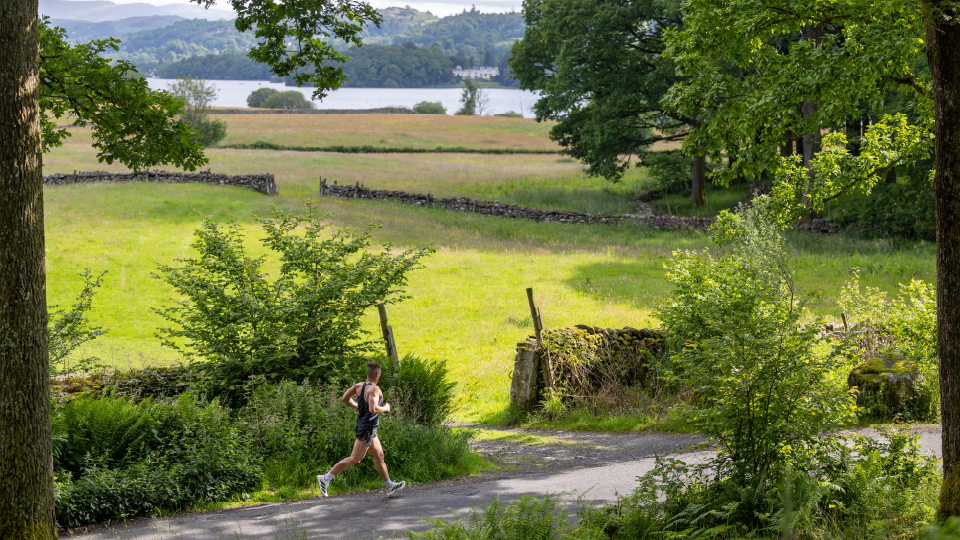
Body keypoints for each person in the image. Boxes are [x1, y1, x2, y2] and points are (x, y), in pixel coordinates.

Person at [317, 362, 406, 497]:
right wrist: (386, 408)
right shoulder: (375, 390)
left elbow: (345, 398)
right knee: (355, 458)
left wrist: (358, 406)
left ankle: (389, 486)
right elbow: (373, 409)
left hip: (368, 427)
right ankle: (325, 478)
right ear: (377, 374)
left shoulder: (359, 386)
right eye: (380, 374)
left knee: (379, 456)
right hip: (367, 429)